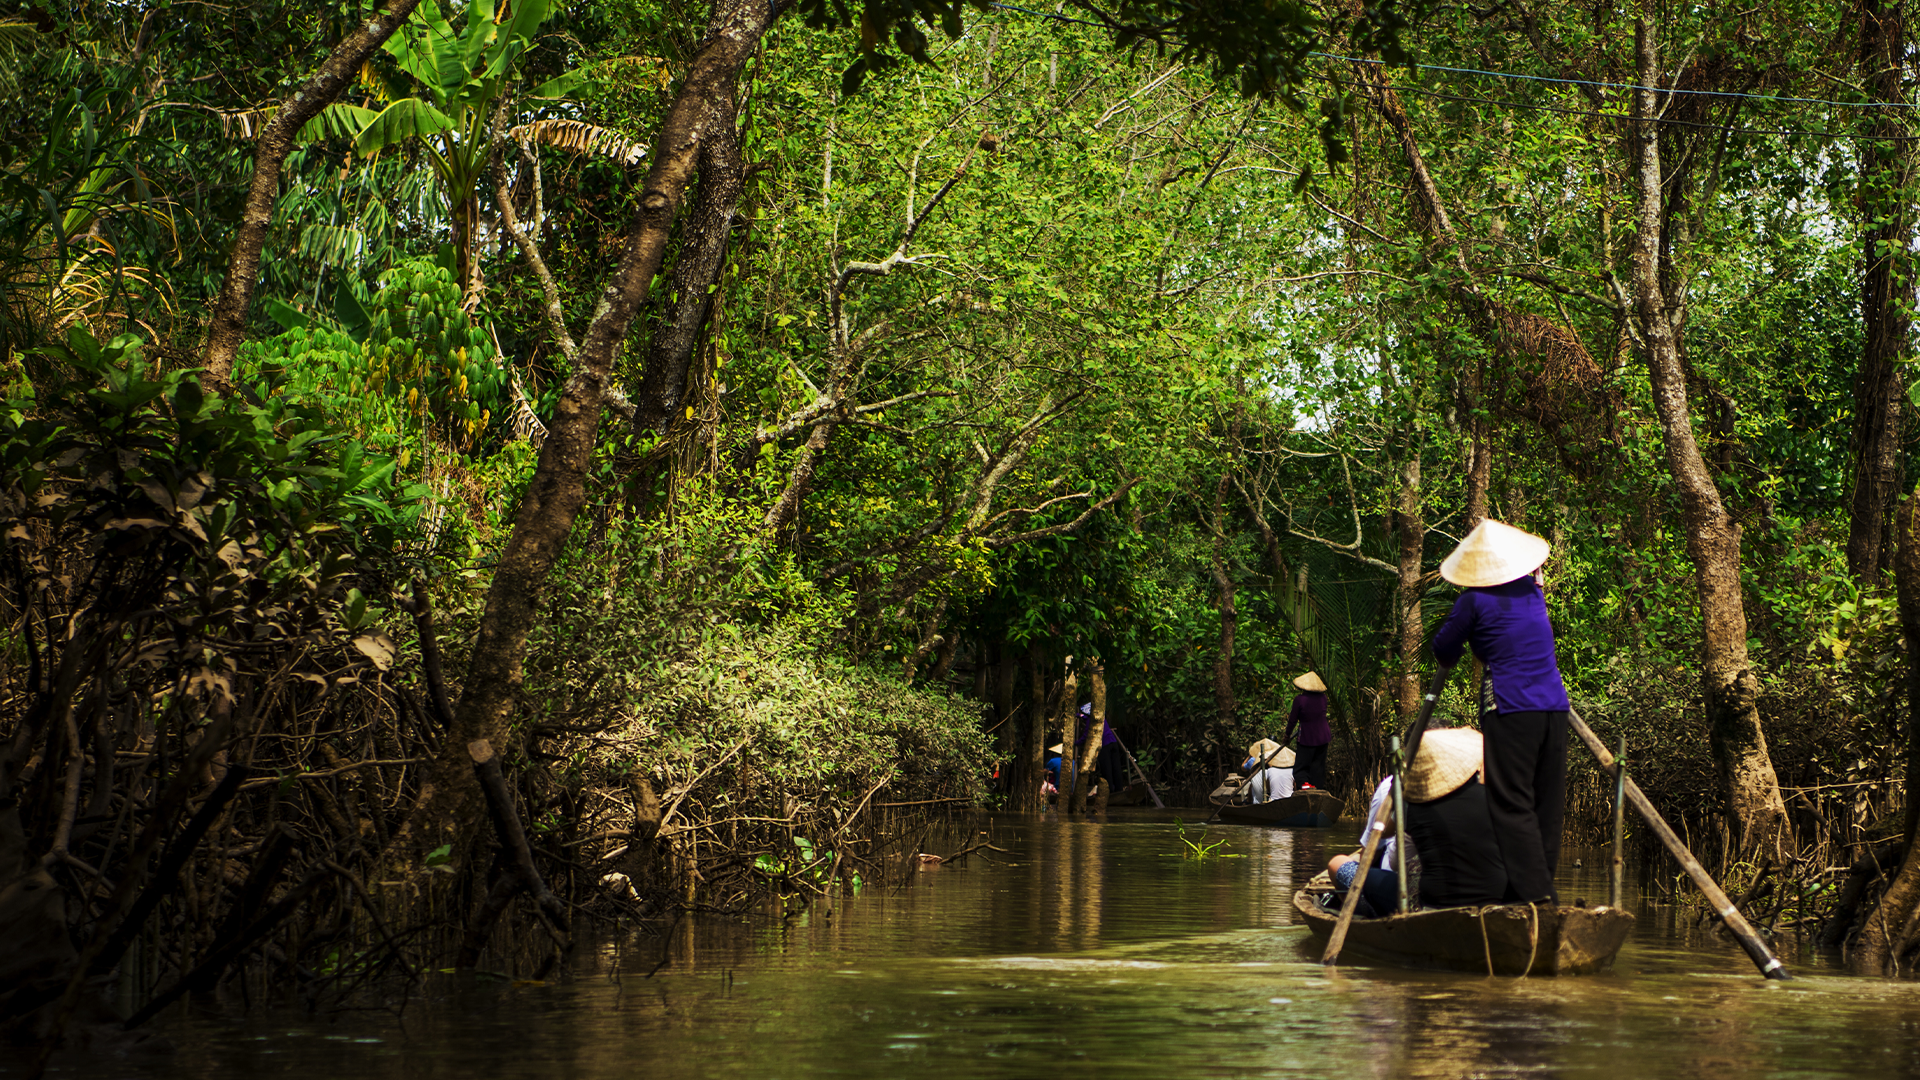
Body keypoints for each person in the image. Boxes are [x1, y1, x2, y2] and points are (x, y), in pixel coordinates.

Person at [1431, 518, 1570, 905]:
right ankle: (1521, 894)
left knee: (1510, 803)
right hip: (1555, 708)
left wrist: (1462, 643)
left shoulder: (1473, 600)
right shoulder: (1532, 593)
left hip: (1511, 706)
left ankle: (1539, 898)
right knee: (1547, 802)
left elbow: (1444, 647)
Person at [1326, 727, 1507, 915]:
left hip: (1430, 905)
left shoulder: (1412, 804)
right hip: (1495, 900)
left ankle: (1372, 915)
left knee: (1337, 863)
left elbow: (1380, 834)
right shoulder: (1496, 797)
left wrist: (1399, 790)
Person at [1281, 672, 1332, 789]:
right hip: (1323, 737)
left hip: (1307, 737)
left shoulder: (1300, 700)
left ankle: (1305, 785)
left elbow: (1292, 720)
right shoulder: (1323, 698)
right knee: (1318, 767)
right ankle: (1317, 788)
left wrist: (1287, 735)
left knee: (1300, 768)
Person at [1240, 739, 1295, 804]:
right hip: (1275, 802)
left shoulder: (1262, 770)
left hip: (1261, 803)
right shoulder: (1271, 771)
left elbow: (1243, 767)